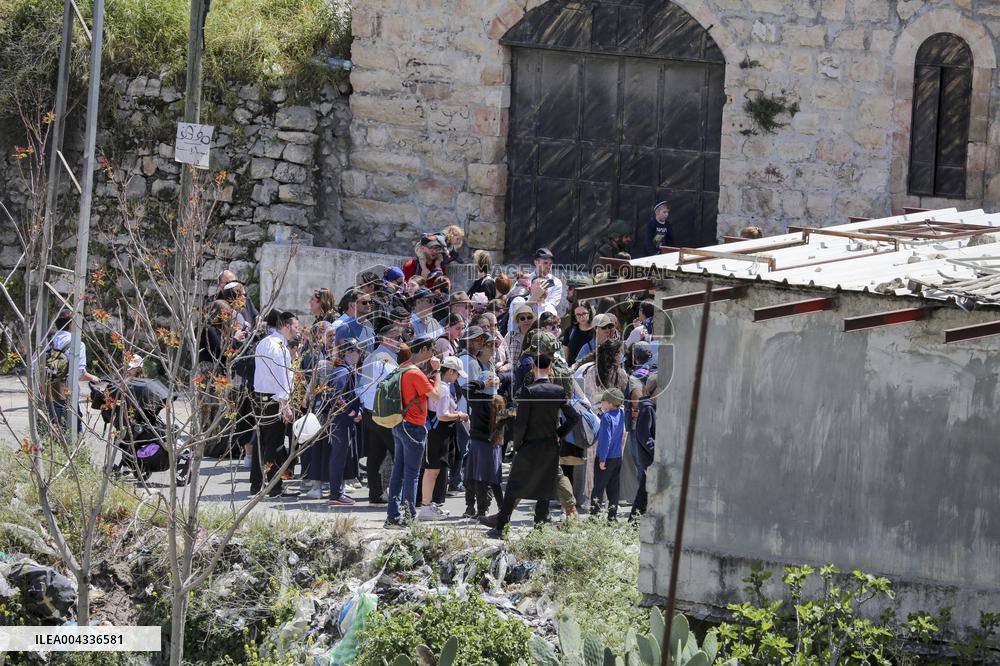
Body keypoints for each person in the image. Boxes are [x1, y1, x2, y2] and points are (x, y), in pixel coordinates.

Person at [485, 354, 578, 539]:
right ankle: (539, 531)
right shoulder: (558, 391)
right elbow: (574, 417)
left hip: (529, 445)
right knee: (544, 489)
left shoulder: (529, 391)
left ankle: (501, 528)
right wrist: (558, 434)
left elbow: (521, 423)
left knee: (513, 486)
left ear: (533, 368)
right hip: (550, 445)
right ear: (550, 368)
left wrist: (518, 444)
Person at [385, 334, 443, 527]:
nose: (432, 354)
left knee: (398, 471)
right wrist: (438, 372)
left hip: (399, 424)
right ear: (424, 350)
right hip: (414, 426)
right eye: (431, 350)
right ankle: (410, 516)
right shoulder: (416, 373)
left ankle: (392, 515)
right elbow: (435, 395)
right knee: (412, 473)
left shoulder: (403, 368)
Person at [251, 310, 301, 498]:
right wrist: (285, 405)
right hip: (273, 398)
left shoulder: (264, 342)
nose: (297, 330)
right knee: (275, 444)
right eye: (295, 326)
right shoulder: (279, 346)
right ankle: (274, 486)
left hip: (261, 397)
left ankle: (256, 483)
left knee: (261, 441)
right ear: (286, 326)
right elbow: (281, 378)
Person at [357, 324, 403, 503]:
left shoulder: (372, 357)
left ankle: (375, 493)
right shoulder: (385, 360)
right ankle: (397, 495)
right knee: (398, 452)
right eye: (397, 337)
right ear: (385, 339)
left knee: (375, 454)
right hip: (383, 413)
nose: (400, 341)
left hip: (371, 412)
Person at [420, 355, 468, 520]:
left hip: (437, 431)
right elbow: (442, 415)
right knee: (433, 470)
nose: (458, 377)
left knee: (433, 469)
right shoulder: (445, 388)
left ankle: (429, 505)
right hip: (439, 431)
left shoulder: (440, 384)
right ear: (450, 371)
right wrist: (459, 415)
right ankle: (426, 507)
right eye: (457, 374)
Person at [464, 369, 511, 519]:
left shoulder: (476, 401)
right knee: (494, 480)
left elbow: (465, 387)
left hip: (478, 444)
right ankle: (503, 509)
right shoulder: (500, 402)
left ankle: (477, 509)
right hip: (494, 445)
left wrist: (483, 383)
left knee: (474, 477)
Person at [45, 309, 101, 432]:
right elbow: (80, 374)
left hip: (48, 391)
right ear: (70, 324)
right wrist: (93, 378)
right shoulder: (77, 344)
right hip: (67, 392)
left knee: (52, 428)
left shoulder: (48, 341)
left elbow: (35, 366)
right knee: (74, 429)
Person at [325, 338, 364, 505]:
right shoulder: (342, 372)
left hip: (343, 421)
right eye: (357, 351)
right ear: (348, 352)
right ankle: (335, 494)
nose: (359, 355)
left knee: (340, 457)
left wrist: (358, 410)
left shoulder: (347, 370)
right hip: (340, 422)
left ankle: (337, 492)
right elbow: (335, 397)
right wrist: (351, 412)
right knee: (338, 457)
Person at [592, 388, 626, 520]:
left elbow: (606, 439)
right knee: (613, 488)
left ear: (610, 403)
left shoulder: (606, 417)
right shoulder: (621, 413)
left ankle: (594, 517)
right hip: (617, 457)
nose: (602, 403)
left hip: (605, 458)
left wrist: (602, 459)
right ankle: (612, 517)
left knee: (598, 489)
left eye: (604, 401)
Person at [630, 373, 657, 521]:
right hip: (649, 458)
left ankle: (633, 523)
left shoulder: (654, 407)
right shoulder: (647, 409)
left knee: (644, 492)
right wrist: (656, 451)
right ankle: (634, 523)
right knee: (645, 493)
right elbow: (643, 436)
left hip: (651, 457)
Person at [529, 248, 564, 312]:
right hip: (525, 318)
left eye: (550, 264)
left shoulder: (556, 282)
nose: (548, 266)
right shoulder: (525, 279)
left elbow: (551, 305)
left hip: (544, 318)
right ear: (536, 262)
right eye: (545, 263)